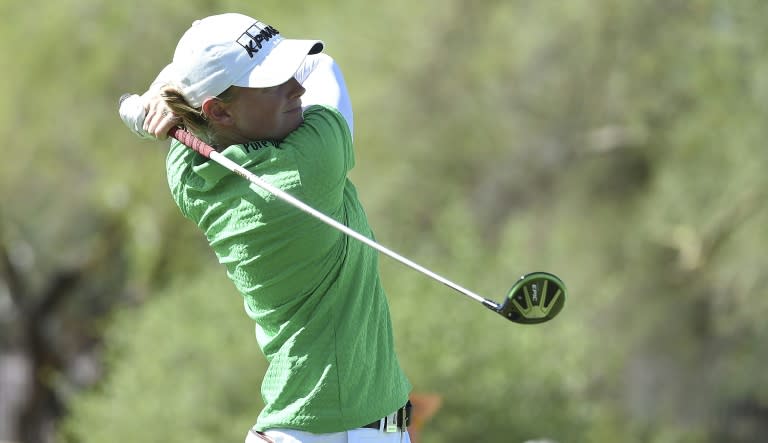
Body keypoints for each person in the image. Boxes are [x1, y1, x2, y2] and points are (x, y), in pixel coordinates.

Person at [119, 12, 412, 443]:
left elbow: (185, 110)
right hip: (334, 433)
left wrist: (157, 98)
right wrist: (158, 93)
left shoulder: (189, 176)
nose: (297, 86)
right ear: (218, 110)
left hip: (322, 428)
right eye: (273, 83)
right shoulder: (312, 164)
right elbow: (325, 66)